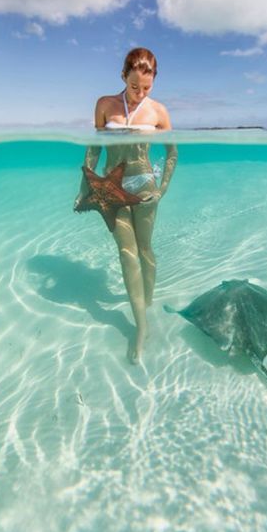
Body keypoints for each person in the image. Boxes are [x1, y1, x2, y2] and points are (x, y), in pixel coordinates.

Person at [76, 48, 177, 363]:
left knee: (145, 250)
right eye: (135, 87)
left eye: (147, 88)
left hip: (145, 185)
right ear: (123, 76)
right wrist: (84, 188)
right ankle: (141, 327)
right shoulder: (105, 105)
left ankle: (146, 301)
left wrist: (162, 189)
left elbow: (172, 153)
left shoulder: (158, 111)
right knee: (126, 254)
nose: (140, 94)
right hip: (111, 188)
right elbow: (93, 151)